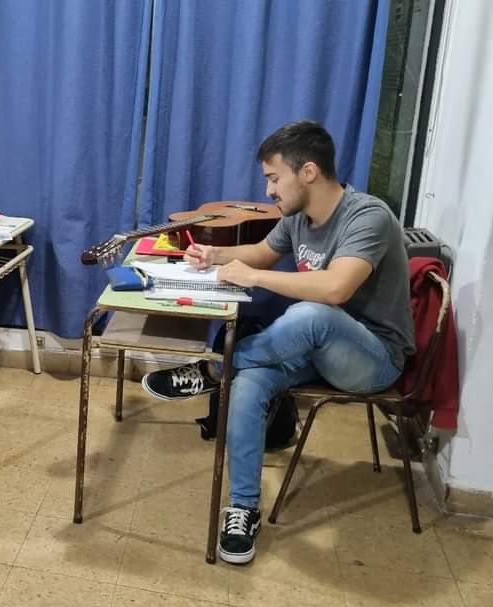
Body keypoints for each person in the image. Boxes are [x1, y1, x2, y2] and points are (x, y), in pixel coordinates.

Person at [140, 120, 414, 564]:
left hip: (374, 359)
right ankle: (243, 508)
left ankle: (213, 368)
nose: (268, 190)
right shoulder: (298, 218)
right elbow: (261, 254)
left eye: (273, 178)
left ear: (308, 172)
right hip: (316, 351)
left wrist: (253, 277)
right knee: (249, 383)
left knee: (312, 314)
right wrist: (215, 256)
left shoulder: (368, 216)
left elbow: (336, 289)